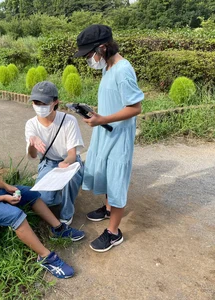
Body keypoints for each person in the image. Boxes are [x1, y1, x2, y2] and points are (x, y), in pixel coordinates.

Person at [0, 108, 85, 279]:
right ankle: (45, 257)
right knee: (16, 215)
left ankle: (58, 228)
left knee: (29, 192)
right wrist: (3, 197)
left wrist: (7, 186)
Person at [73, 25, 144, 252]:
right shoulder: (108, 67)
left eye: (89, 53)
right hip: (105, 132)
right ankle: (107, 207)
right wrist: (97, 115)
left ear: (102, 47)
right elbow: (114, 101)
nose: (88, 59)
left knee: (116, 180)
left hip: (118, 136)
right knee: (103, 170)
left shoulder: (123, 70)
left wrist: (102, 120)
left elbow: (135, 107)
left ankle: (114, 233)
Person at [25, 81, 85, 226]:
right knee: (44, 200)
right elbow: (33, 156)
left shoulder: (68, 121)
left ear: (55, 102)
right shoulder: (31, 124)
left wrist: (65, 164)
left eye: (44, 103)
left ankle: (67, 213)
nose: (40, 106)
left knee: (70, 179)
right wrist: (32, 142)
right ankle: (60, 193)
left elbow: (72, 154)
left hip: (68, 162)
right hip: (48, 162)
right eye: (36, 102)